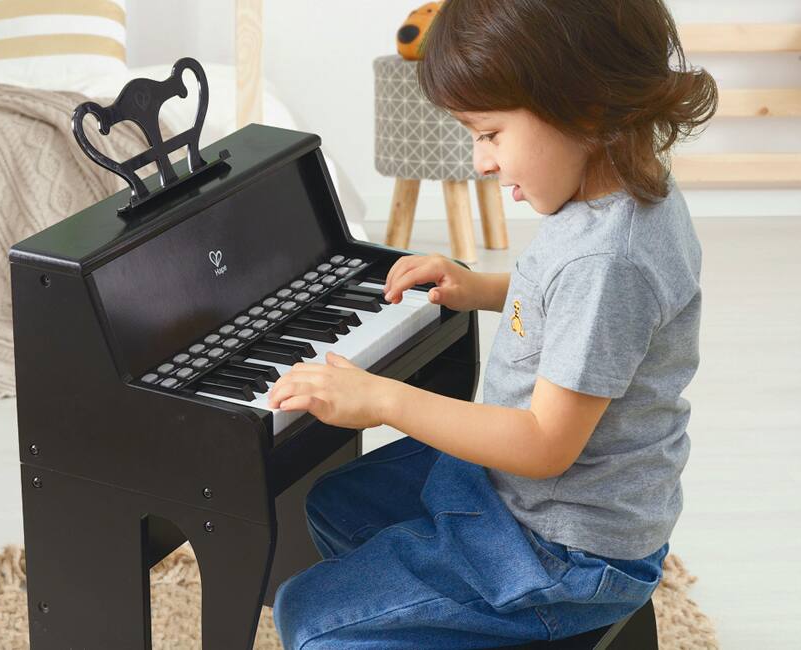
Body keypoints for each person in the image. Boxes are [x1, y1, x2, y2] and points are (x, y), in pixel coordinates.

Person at [270, 0, 717, 647]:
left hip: (567, 549)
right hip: (537, 500)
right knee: (336, 503)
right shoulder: (616, 187)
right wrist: (478, 286)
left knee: (309, 617)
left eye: (490, 133)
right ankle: (452, 621)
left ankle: (503, 619)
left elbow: (542, 444)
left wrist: (383, 399)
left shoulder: (609, 258)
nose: (480, 161)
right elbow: (570, 305)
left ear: (582, 105)